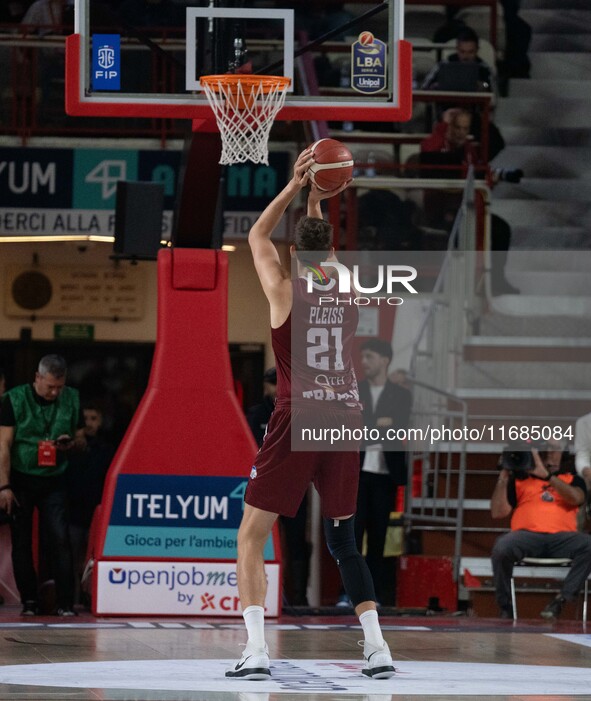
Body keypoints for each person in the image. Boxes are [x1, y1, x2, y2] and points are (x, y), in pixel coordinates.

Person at [226, 148, 395, 680]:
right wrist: (320, 200)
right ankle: (378, 648)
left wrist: (296, 187)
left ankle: (255, 650)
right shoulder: (345, 284)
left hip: (299, 414)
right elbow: (322, 251)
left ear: (293, 251)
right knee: (344, 540)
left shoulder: (282, 290)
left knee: (251, 536)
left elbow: (257, 236)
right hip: (346, 416)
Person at [0, 354, 85, 616]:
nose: (55, 392)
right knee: (22, 541)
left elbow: (82, 439)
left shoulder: (71, 398)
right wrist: (4, 486)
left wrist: (70, 443)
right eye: (50, 386)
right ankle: (30, 601)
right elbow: (3, 444)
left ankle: (65, 603)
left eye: (59, 387)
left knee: (60, 537)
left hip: (54, 479)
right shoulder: (13, 399)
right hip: (22, 478)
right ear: (37, 378)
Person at [338, 340, 411, 607]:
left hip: (385, 475)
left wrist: (372, 427)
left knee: (379, 537)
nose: (364, 362)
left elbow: (397, 429)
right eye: (363, 356)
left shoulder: (402, 395)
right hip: (357, 473)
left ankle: (373, 595)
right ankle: (348, 593)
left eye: (369, 356)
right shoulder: (355, 390)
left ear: (384, 360)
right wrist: (378, 427)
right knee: (351, 536)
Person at [420, 108, 519, 296]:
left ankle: (495, 281)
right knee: (462, 234)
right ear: (447, 126)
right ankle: (456, 288)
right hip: (441, 212)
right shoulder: (433, 144)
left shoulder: (469, 150)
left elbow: (479, 173)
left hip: (468, 210)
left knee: (500, 229)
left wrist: (493, 180)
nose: (461, 133)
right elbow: (433, 159)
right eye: (457, 127)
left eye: (465, 129)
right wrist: (443, 125)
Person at [490, 443, 591, 619]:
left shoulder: (572, 479)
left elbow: (576, 498)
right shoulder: (521, 480)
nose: (551, 453)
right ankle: (505, 607)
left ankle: (561, 599)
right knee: (502, 546)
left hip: (563, 539)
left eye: (556, 449)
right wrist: (504, 475)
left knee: (589, 544)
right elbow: (498, 513)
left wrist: (547, 476)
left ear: (564, 454)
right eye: (547, 448)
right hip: (526, 537)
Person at [246, 367, 312, 607]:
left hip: (293, 486)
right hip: (263, 488)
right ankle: (264, 597)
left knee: (297, 543)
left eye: (281, 383)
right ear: (266, 385)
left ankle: (299, 598)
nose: (277, 388)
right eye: (273, 383)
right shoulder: (255, 415)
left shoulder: (301, 415)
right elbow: (247, 449)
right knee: (258, 540)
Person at [422, 27, 505, 161]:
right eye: (462, 52)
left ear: (477, 50)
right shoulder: (444, 65)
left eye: (470, 52)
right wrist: (437, 87)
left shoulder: (484, 69)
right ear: (457, 49)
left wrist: (482, 88)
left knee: (496, 141)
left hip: (472, 119)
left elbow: (494, 98)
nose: (466, 57)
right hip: (445, 118)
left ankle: (479, 167)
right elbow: (424, 89)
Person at [66, 403, 115, 606]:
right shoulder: (69, 449)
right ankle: (71, 602)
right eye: (84, 419)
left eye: (93, 418)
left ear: (101, 421)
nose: (89, 424)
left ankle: (92, 601)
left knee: (94, 563)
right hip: (73, 515)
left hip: (97, 517)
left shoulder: (109, 450)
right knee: (70, 562)